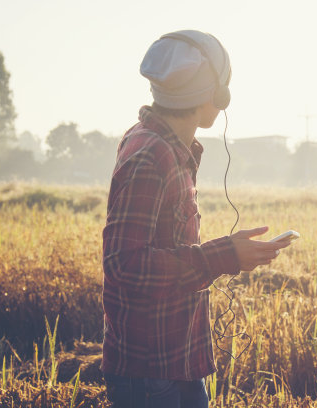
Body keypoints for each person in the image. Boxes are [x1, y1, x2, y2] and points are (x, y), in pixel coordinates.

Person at [101, 30, 290, 408]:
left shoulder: (167, 146)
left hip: (178, 358)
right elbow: (124, 263)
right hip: (150, 372)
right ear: (214, 96)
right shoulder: (150, 155)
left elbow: (163, 248)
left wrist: (229, 252)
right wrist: (222, 256)